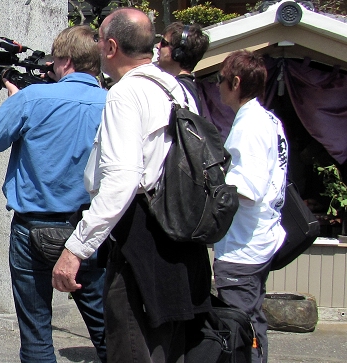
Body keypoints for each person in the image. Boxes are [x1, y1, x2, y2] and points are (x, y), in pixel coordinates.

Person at [51, 8, 212, 362]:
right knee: (169, 348)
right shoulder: (175, 87)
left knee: (132, 345)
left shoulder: (126, 94)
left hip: (142, 235)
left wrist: (75, 248)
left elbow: (122, 180)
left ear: (111, 47)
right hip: (181, 232)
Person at [0, 26, 108, 363]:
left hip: (31, 228)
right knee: (108, 328)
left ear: (64, 61)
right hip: (90, 228)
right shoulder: (114, 102)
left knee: (37, 332)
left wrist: (14, 102)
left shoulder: (31, 98)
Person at [214, 50, 287, 363]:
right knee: (253, 323)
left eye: (220, 80)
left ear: (236, 82)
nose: (217, 86)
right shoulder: (268, 118)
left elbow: (250, 187)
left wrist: (211, 182)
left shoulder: (251, 125)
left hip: (243, 248)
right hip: (261, 238)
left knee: (239, 330)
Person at [156, 22, 210, 112]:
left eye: (163, 43)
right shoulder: (191, 90)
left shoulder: (175, 91)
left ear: (178, 53)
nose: (158, 46)